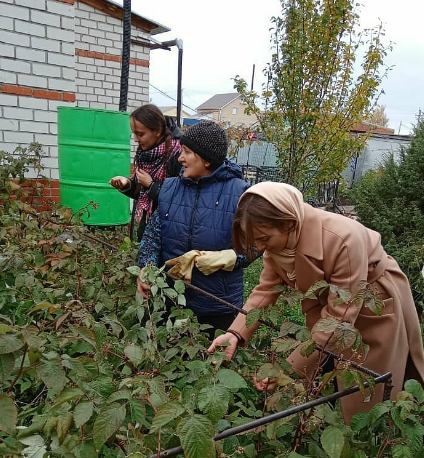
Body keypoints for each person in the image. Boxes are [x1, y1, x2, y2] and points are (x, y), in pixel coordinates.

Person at [207, 181, 424, 422]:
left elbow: (338, 320)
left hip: (372, 301)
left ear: (289, 223)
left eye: (264, 238)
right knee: (327, 372)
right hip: (334, 307)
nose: (259, 247)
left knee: (367, 390)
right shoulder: (279, 246)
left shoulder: (343, 239)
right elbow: (266, 290)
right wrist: (235, 334)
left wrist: (287, 370)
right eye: (253, 240)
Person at [136, 120, 250, 336]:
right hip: (170, 300)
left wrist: (227, 258)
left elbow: (254, 247)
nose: (180, 158)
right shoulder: (169, 189)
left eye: (186, 152)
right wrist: (146, 267)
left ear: (206, 159)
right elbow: (153, 235)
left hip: (218, 307)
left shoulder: (241, 195)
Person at [109, 104, 182, 242]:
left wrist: (151, 185)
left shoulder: (179, 155)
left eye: (140, 134)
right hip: (148, 229)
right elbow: (141, 191)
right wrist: (127, 184)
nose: (136, 139)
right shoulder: (147, 154)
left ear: (157, 131)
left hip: (169, 234)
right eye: (134, 133)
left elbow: (181, 200)